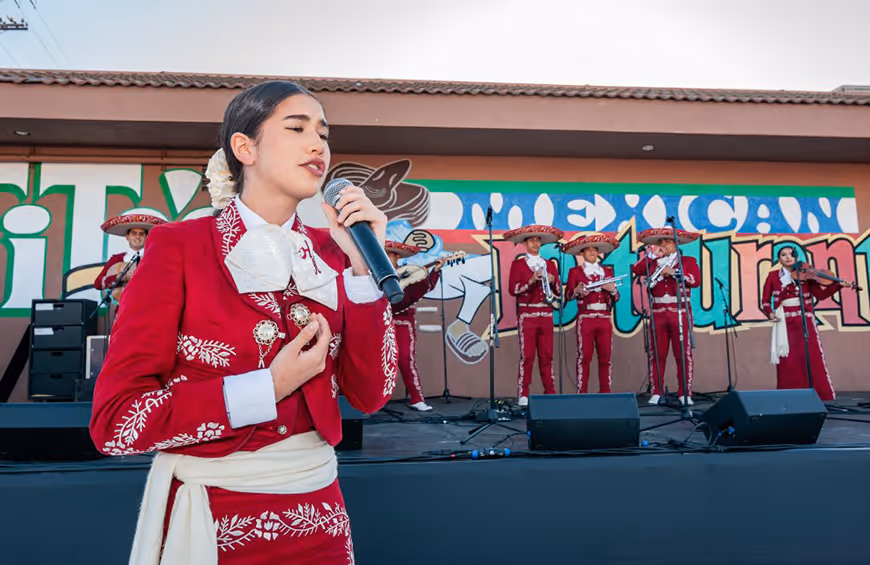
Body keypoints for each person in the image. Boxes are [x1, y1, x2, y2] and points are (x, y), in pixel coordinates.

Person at [89, 81, 398, 565]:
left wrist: (363, 273)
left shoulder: (334, 251)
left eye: (323, 132)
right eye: (296, 128)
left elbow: (370, 394)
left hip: (320, 512)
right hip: (213, 514)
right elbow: (116, 424)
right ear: (244, 147)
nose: (318, 144)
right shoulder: (180, 246)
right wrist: (266, 387)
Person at [631, 228, 701, 405]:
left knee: (683, 354)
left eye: (667, 242)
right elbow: (637, 269)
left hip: (680, 313)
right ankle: (656, 391)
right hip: (658, 313)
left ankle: (685, 393)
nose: (663, 245)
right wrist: (652, 255)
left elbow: (696, 280)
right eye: (660, 242)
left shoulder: (687, 261)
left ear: (675, 244)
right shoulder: (653, 263)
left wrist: (675, 272)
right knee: (657, 354)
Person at [762, 245, 841, 400]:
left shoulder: (806, 275)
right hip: (784, 322)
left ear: (797, 256)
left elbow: (821, 295)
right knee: (787, 360)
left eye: (791, 254)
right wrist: (770, 313)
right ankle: (790, 396)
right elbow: (765, 300)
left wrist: (837, 285)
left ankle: (818, 395)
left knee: (811, 356)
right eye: (783, 255)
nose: (787, 257)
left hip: (805, 321)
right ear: (779, 260)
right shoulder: (772, 276)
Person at [505, 224, 564, 406]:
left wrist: (554, 281)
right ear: (525, 243)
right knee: (527, 356)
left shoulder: (549, 264)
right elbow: (512, 290)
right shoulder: (518, 264)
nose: (535, 243)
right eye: (531, 240)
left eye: (538, 240)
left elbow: (558, 292)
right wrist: (530, 281)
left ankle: (550, 391)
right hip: (527, 314)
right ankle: (523, 393)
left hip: (546, 314)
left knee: (547, 355)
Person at [386, 240, 445, 411]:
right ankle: (373, 402)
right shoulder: (373, 273)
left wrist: (436, 271)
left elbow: (426, 286)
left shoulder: (409, 273)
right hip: (380, 322)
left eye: (390, 254)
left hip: (403, 322)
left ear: (397, 256)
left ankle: (416, 398)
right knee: (378, 362)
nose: (387, 257)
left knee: (406, 359)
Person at [563, 234, 620, 394]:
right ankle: (582, 393)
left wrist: (612, 289)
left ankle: (606, 392)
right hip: (586, 318)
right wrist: (576, 291)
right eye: (588, 250)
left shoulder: (607, 271)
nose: (592, 253)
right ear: (582, 254)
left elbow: (616, 297)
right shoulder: (575, 272)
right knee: (584, 357)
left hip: (604, 317)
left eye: (595, 250)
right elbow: (568, 296)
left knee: (605, 357)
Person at [93, 214, 166, 294]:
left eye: (141, 234)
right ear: (127, 237)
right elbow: (98, 284)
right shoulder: (117, 259)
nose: (138, 237)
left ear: (146, 237)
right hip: (123, 305)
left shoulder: (154, 258)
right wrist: (120, 277)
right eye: (134, 234)